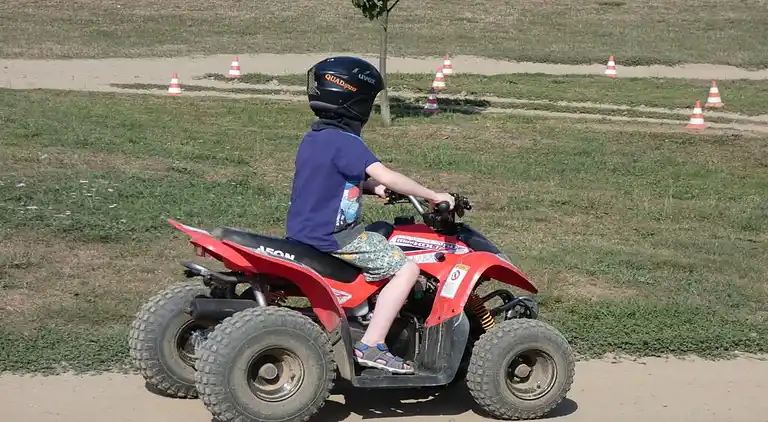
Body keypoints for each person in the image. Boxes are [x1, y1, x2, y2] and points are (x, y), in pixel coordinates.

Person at [285, 56, 455, 375]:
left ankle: (366, 313)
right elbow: (388, 175)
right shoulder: (348, 143)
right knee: (406, 268)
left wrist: (370, 188)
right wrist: (434, 195)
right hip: (336, 238)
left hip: (302, 233)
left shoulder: (314, 138)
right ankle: (373, 345)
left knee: (379, 241)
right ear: (357, 99)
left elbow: (332, 179)